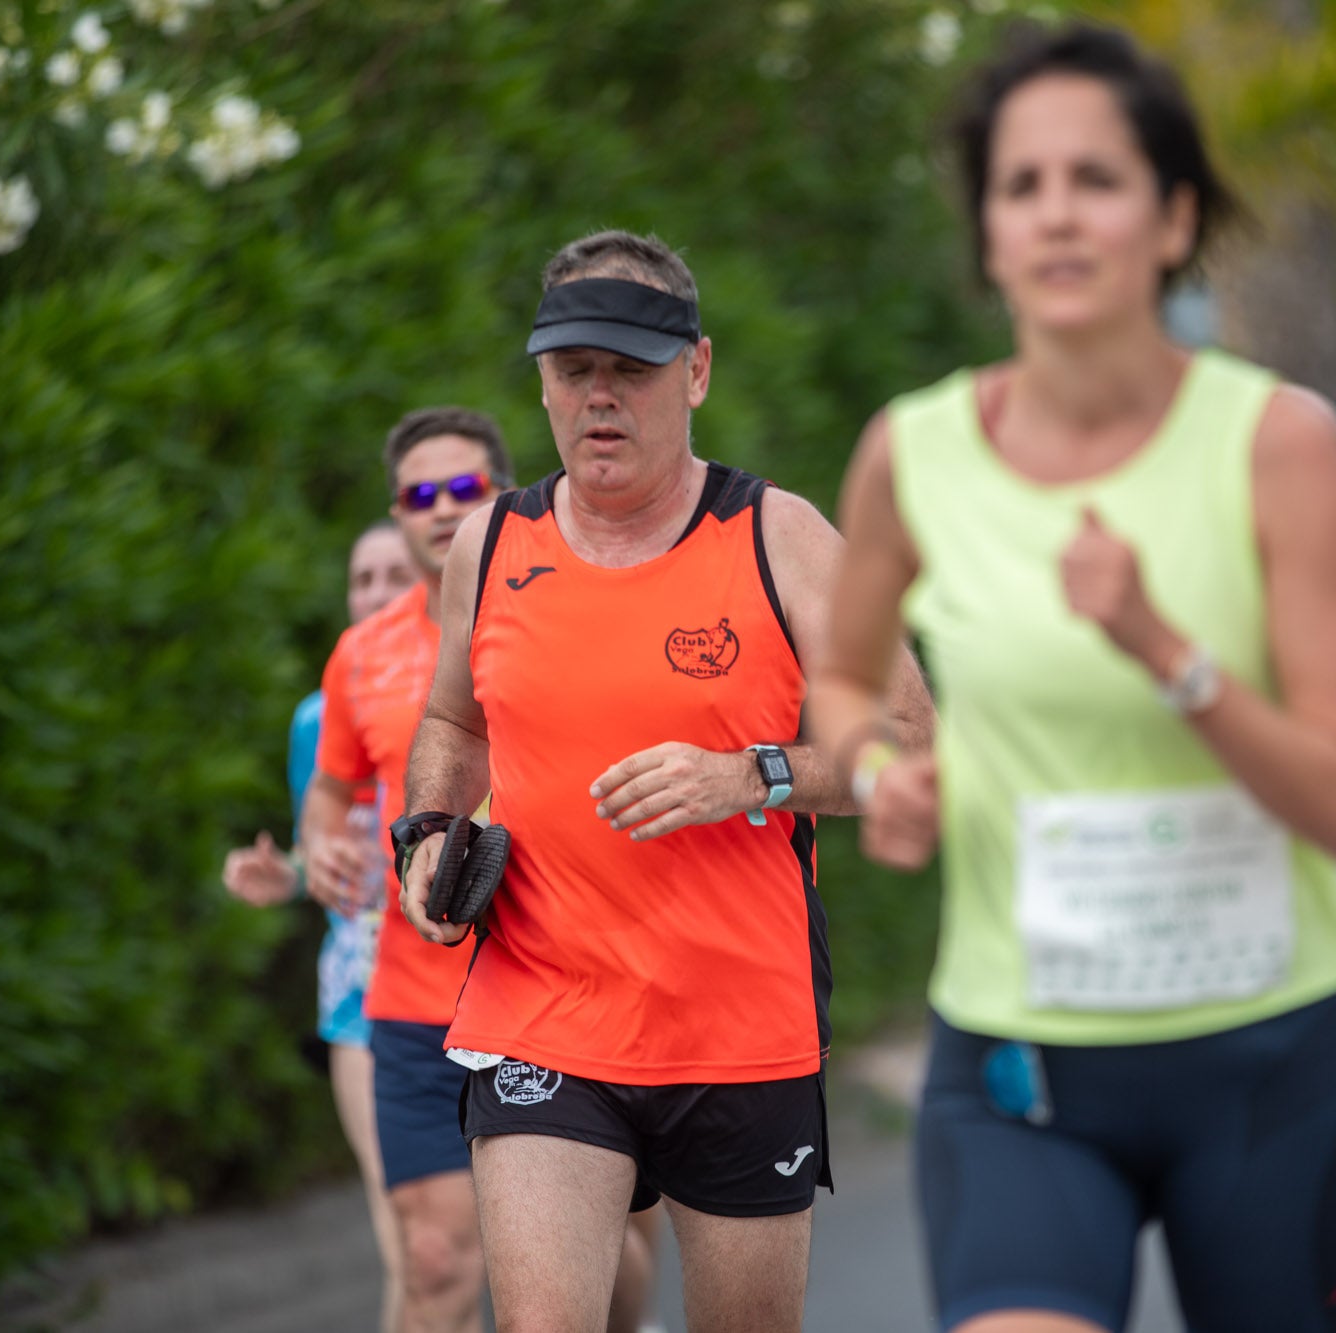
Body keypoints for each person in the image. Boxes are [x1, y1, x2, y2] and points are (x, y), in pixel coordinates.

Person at [809, 23, 1336, 1333]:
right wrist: (879, 769)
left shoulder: (1275, 445)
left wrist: (1165, 652)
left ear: (1173, 215)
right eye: (1022, 186)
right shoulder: (913, 454)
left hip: (1269, 1059)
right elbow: (842, 689)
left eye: (1097, 179)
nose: (1057, 215)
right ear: (988, 234)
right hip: (1022, 1067)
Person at [393, 229, 933, 1333]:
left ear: (693, 371)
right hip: (543, 1009)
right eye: (571, 370)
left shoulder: (780, 539)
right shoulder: (489, 546)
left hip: (740, 1026)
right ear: (540, 380)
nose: (599, 398)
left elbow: (911, 751)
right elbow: (452, 716)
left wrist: (753, 774)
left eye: (629, 369)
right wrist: (429, 834)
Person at [304, 408, 514, 1333]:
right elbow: (328, 791)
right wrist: (324, 844)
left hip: (548, 991)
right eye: (419, 496)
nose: (443, 510)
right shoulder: (363, 651)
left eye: (464, 487)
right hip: (411, 998)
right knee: (433, 1263)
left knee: (594, 1276)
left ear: (504, 492)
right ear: (397, 514)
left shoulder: (561, 620)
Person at [222, 519, 418, 1333]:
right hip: (363, 989)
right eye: (360, 577)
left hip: (484, 980)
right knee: (414, 1240)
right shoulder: (318, 715)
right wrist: (291, 874)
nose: (373, 593)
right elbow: (327, 855)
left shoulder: (479, 688)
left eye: (393, 575)